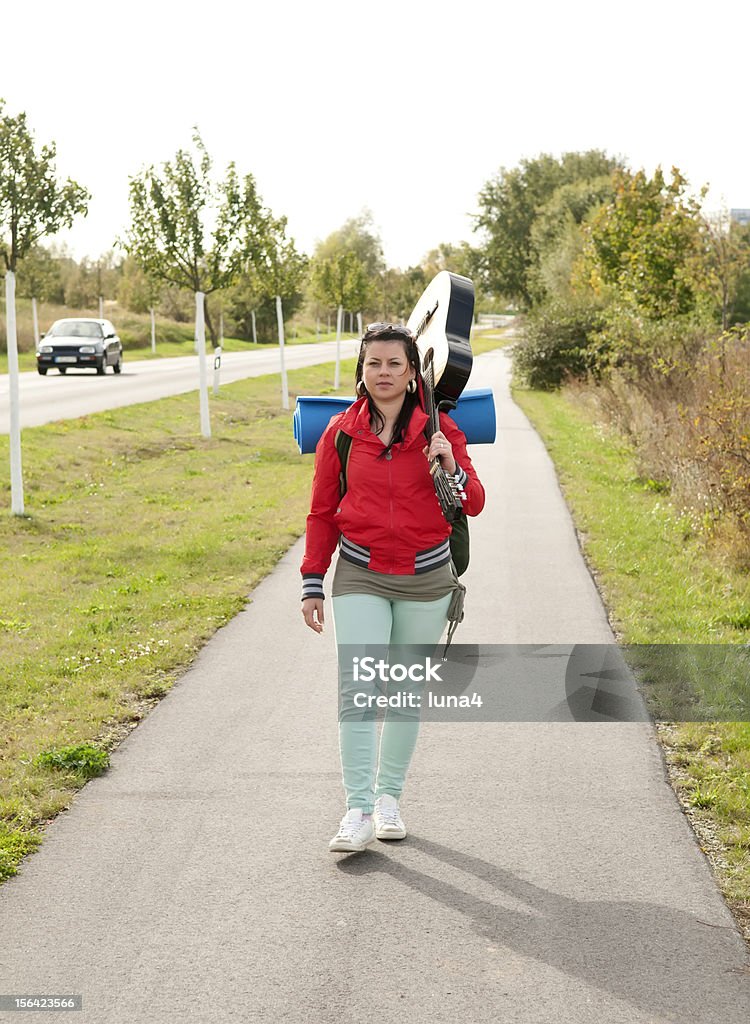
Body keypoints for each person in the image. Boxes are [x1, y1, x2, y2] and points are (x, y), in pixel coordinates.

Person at [300, 322, 485, 853]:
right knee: (359, 689)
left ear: (412, 375)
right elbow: (321, 512)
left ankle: (388, 801)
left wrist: (449, 464)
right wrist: (313, 580)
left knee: (403, 693)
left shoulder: (440, 432)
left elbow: (472, 502)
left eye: (394, 364)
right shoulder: (341, 432)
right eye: (373, 363)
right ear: (361, 371)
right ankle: (356, 809)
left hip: (427, 577)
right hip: (359, 571)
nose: (383, 373)